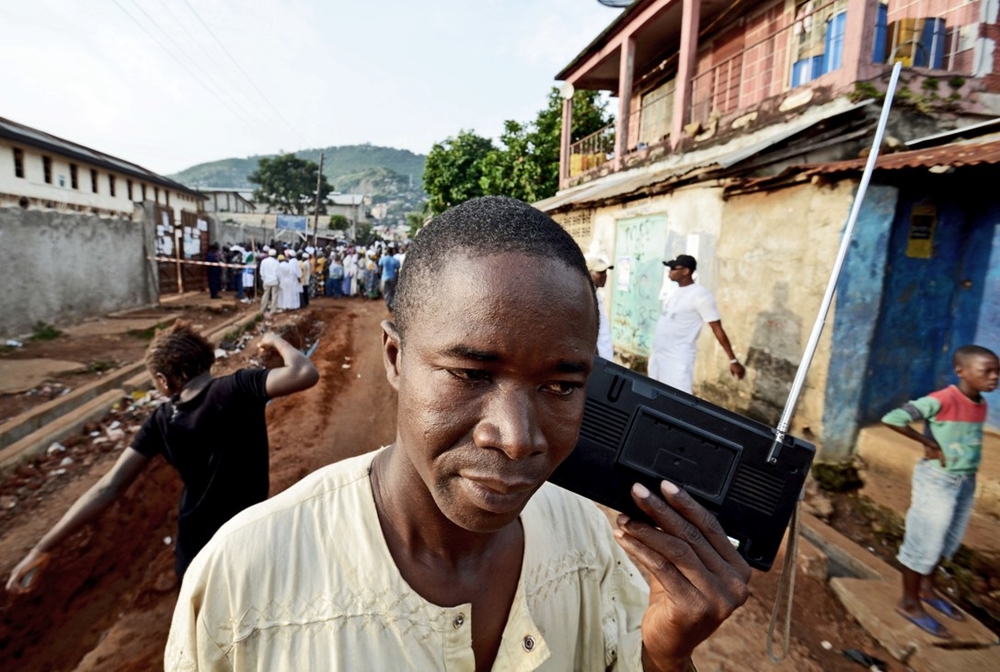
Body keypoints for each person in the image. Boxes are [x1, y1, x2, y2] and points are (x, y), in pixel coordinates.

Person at [166, 196, 749, 671]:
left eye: (561, 386)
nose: (518, 439)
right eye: (470, 374)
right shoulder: (242, 582)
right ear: (395, 358)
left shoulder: (586, 545)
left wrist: (666, 656)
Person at [6, 322, 319, 591]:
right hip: (248, 542)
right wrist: (276, 340)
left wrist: (41, 547)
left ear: (166, 378)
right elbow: (304, 371)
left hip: (195, 552)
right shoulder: (237, 387)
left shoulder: (159, 421)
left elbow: (108, 488)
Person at [882, 344, 998, 638]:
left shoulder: (980, 402)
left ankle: (927, 590)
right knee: (924, 541)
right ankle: (908, 603)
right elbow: (893, 418)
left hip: (964, 481)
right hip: (937, 480)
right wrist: (930, 444)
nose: (994, 377)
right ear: (962, 371)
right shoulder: (942, 399)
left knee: (946, 540)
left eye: (998, 371)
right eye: (988, 371)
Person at [648, 254, 745, 394]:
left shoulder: (701, 296)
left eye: (674, 268)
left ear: (686, 271)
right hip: (658, 356)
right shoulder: (673, 291)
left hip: (677, 361)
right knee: (652, 396)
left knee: (676, 402)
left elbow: (717, 329)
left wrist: (733, 360)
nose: (670, 271)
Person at [586, 252, 614, 360]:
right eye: (600, 273)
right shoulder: (587, 296)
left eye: (605, 272)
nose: (604, 276)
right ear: (588, 273)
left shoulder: (595, 294)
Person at [379, 245, 401, 311]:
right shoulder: (395, 260)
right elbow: (397, 271)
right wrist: (397, 279)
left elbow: (380, 267)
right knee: (392, 292)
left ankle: (388, 305)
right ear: (392, 252)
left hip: (384, 277)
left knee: (386, 292)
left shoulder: (383, 259)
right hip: (392, 277)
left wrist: (381, 275)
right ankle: (392, 304)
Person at [258, 248, 280, 314]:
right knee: (274, 295)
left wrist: (263, 279)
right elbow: (278, 273)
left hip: (266, 281)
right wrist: (278, 280)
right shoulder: (276, 262)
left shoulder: (264, 261)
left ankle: (263, 309)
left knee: (265, 295)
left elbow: (261, 271)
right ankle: (273, 310)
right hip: (274, 281)